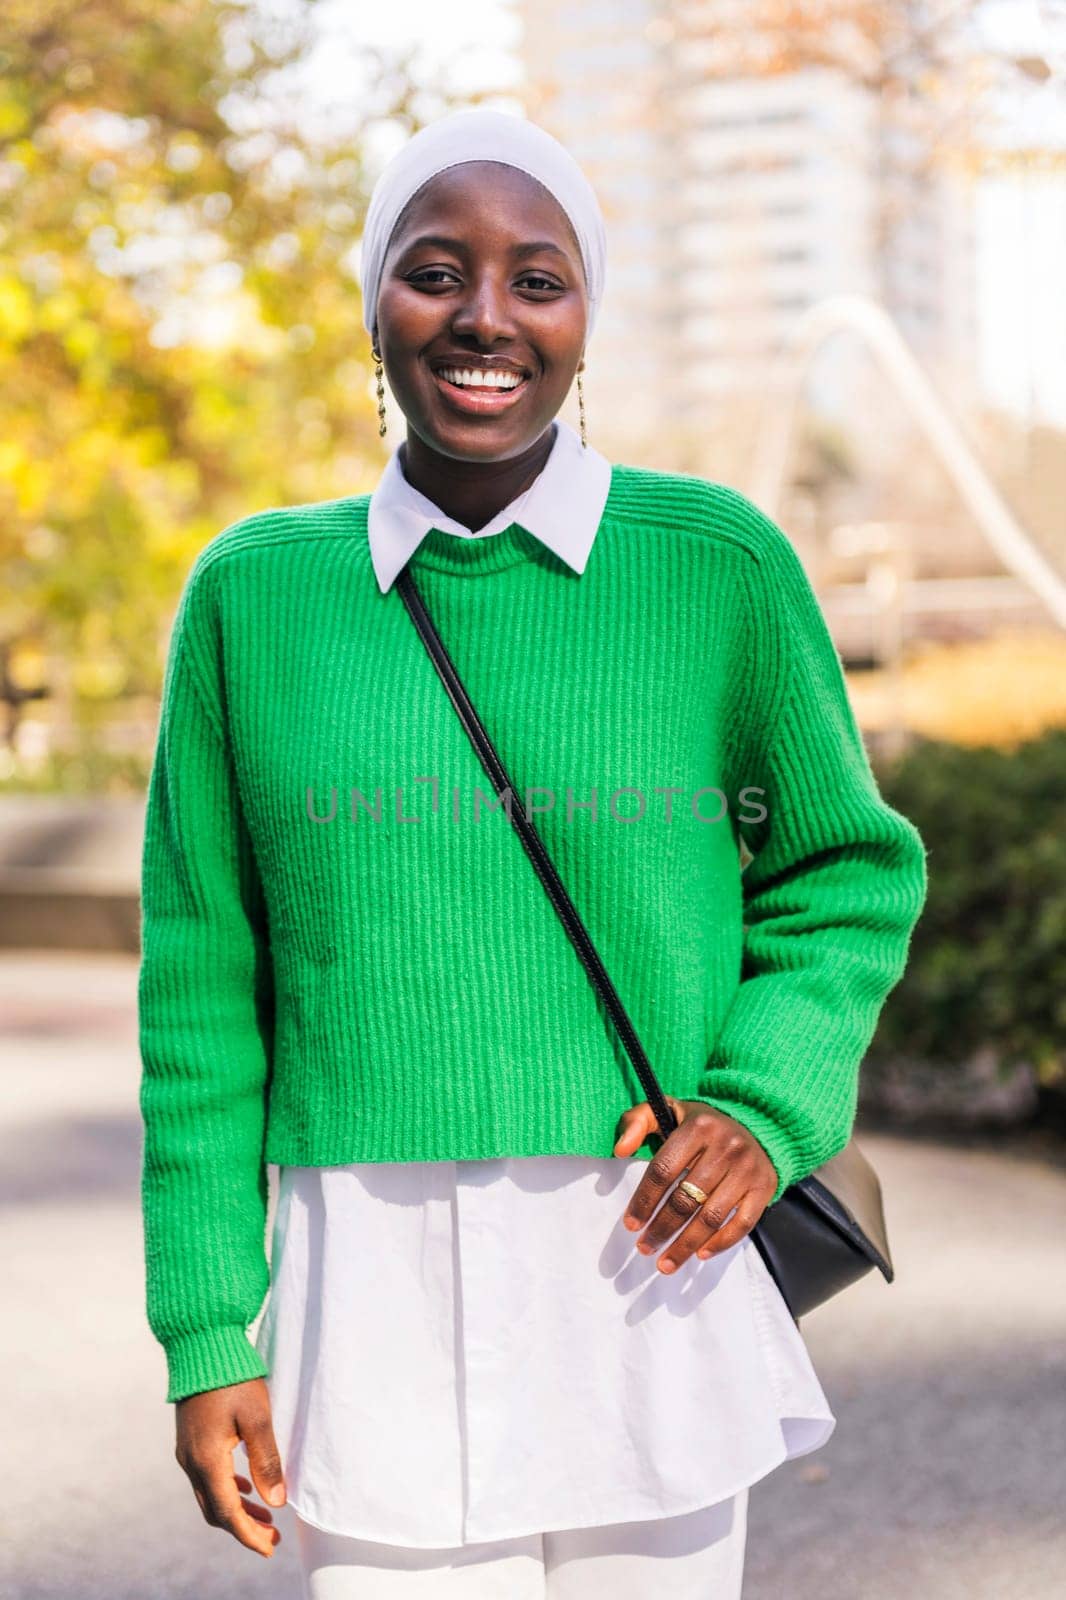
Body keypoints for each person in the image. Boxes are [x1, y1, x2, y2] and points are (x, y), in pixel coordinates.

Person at [138, 107, 928, 1598]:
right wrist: (202, 1331)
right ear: (375, 306)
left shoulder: (717, 567)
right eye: (434, 271)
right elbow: (197, 993)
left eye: (536, 277)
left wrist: (764, 1106)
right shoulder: (252, 597)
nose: (484, 316)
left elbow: (842, 873)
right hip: (358, 1297)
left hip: (649, 1271)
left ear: (584, 319)